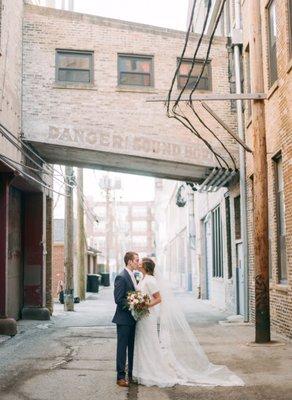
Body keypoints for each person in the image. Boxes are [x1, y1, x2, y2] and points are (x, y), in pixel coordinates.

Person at [132, 257, 244, 388]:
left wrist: (145, 305)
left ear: (146, 267)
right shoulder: (143, 278)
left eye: (141, 262)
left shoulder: (151, 280)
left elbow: (158, 299)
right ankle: (144, 370)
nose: (138, 263)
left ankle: (152, 371)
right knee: (143, 341)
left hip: (148, 315)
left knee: (149, 341)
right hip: (142, 316)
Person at [112, 251, 139, 388]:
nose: (138, 263)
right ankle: (120, 377)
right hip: (123, 320)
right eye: (136, 260)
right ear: (129, 261)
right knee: (122, 348)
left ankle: (131, 375)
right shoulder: (121, 277)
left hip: (133, 319)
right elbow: (118, 299)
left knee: (132, 348)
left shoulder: (133, 275)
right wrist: (134, 304)